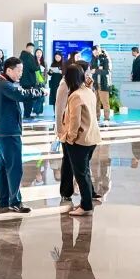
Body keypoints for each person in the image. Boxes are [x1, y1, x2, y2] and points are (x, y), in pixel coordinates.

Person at [0, 57, 40, 213]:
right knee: (14, 168)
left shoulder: (1, 82)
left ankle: (3, 200)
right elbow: (21, 95)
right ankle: (15, 202)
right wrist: (41, 91)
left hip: (2, 131)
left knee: (4, 167)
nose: (21, 73)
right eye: (18, 70)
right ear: (9, 70)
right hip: (8, 132)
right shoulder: (4, 84)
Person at [60, 64, 101, 217]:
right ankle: (86, 202)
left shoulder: (75, 95)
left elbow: (75, 121)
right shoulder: (89, 91)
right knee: (84, 172)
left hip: (80, 140)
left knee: (81, 174)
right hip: (92, 138)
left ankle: (86, 206)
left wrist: (69, 139)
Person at [90, 45, 113, 122]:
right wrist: (97, 70)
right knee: (96, 102)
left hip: (103, 83)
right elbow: (91, 70)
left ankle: (107, 118)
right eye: (93, 53)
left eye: (96, 52)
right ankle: (97, 118)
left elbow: (107, 71)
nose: (95, 54)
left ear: (99, 50)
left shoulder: (105, 59)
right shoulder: (93, 59)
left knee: (105, 102)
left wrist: (96, 70)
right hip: (95, 83)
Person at [19, 43, 40, 118]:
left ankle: (26, 114)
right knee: (30, 98)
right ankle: (27, 114)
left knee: (26, 97)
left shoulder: (21, 56)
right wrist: (38, 64)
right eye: (30, 48)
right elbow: (34, 68)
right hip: (30, 81)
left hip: (23, 81)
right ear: (27, 47)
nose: (31, 49)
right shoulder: (30, 56)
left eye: (32, 48)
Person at [33, 48, 48, 117]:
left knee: (41, 97)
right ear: (35, 54)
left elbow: (46, 73)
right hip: (35, 81)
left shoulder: (44, 62)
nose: (39, 54)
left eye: (40, 53)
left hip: (42, 81)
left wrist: (45, 81)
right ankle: (35, 110)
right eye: (37, 53)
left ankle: (40, 111)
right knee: (36, 96)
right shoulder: (33, 62)